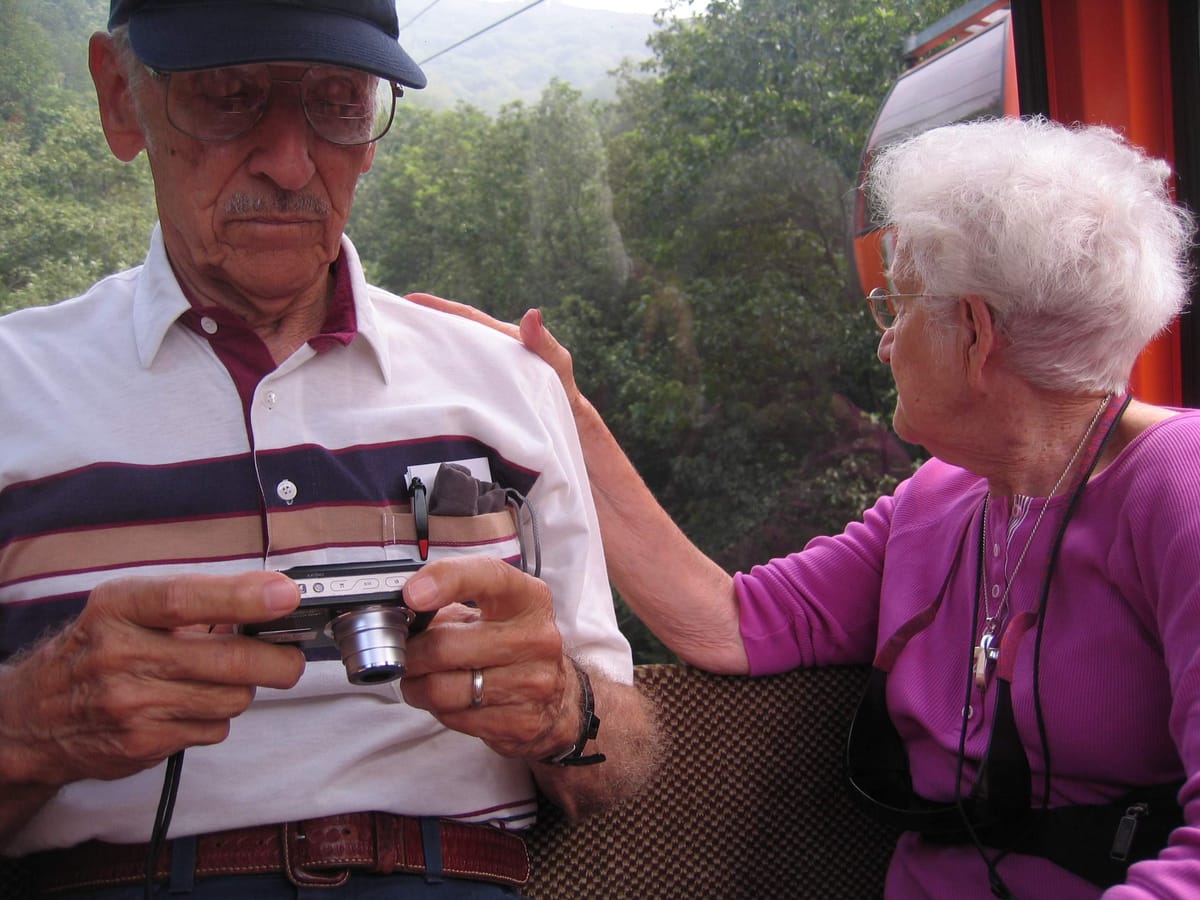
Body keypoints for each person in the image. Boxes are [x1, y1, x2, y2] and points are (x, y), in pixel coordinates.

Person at [409, 116, 1200, 898]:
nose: (884, 342)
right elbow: (724, 623)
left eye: (897, 305)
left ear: (974, 331)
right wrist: (562, 414)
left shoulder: (1178, 485)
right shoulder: (938, 502)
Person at [0, 1, 662, 897]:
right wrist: (33, 727)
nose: (288, 161)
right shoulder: (14, 387)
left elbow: (618, 758)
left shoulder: (506, 384)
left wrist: (560, 708)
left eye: (337, 99)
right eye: (229, 95)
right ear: (122, 100)